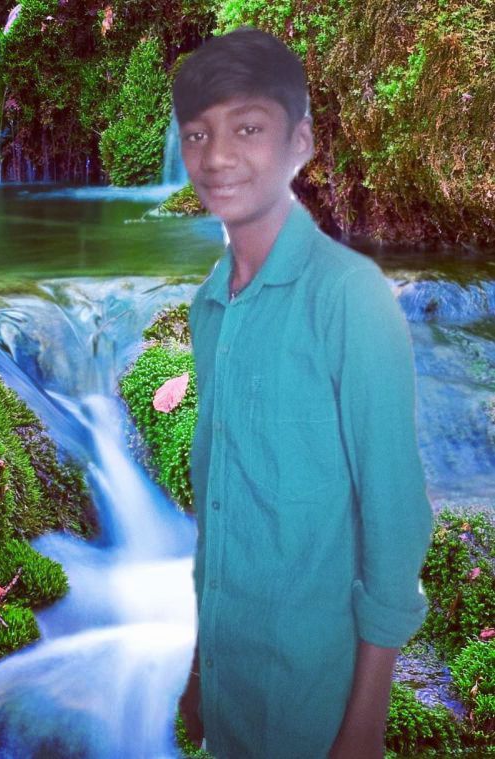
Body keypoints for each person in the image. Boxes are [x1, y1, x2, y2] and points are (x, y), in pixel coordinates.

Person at [173, 25, 433, 759]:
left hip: (313, 707)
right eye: (197, 134)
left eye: (248, 128)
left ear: (301, 143)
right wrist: (200, 670)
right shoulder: (209, 308)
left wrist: (364, 723)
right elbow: (222, 509)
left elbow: (395, 514)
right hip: (228, 695)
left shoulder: (348, 296)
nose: (217, 156)